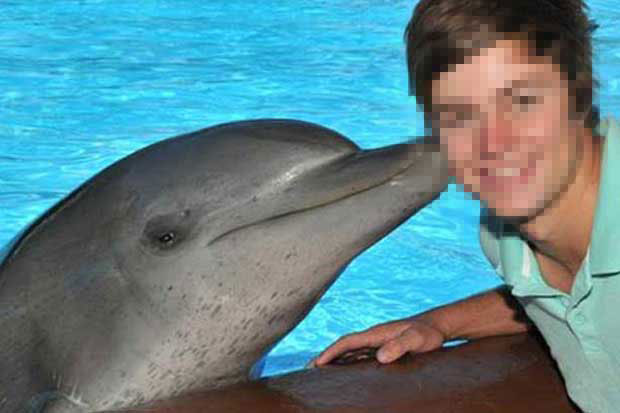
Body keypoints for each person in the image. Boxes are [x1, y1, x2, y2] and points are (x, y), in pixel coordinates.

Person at [310, 0, 620, 411]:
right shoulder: (505, 235)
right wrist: (440, 323)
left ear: (580, 94)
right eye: (458, 116)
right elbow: (569, 296)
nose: (493, 144)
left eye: (522, 101)